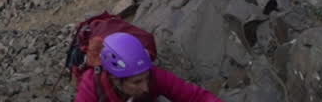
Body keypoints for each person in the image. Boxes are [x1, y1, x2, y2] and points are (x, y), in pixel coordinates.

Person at [73, 32, 225, 102]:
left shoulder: (152, 75)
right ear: (115, 78)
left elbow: (195, 97)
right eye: (137, 82)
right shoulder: (92, 88)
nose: (146, 87)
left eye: (145, 79)